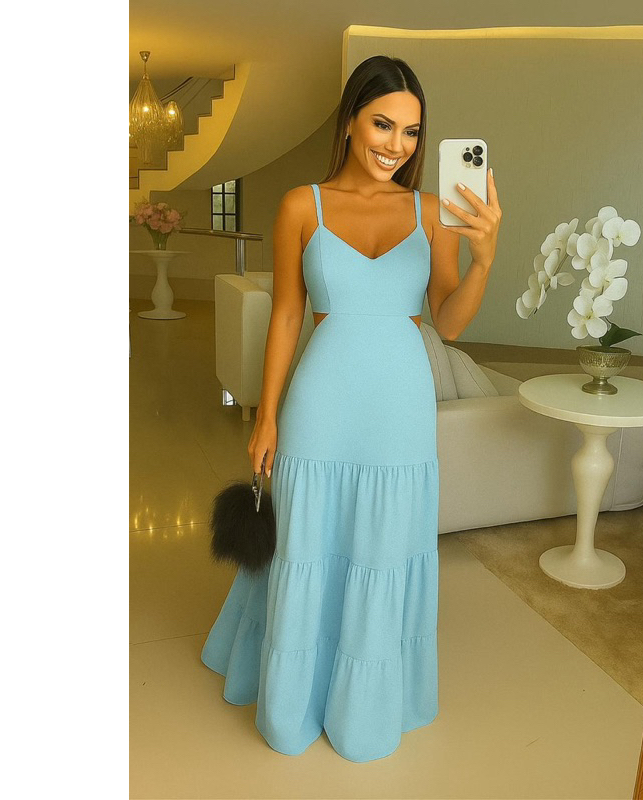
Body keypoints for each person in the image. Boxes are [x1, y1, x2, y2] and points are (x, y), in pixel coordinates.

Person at [201, 55, 501, 762]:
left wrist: (485, 259)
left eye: (411, 131)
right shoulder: (301, 206)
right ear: (349, 122)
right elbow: (286, 315)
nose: (396, 144)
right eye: (382, 124)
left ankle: (364, 706)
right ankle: (293, 702)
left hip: (400, 403)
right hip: (322, 399)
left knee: (383, 548)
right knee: (307, 542)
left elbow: (449, 322)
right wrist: (267, 415)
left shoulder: (433, 212)